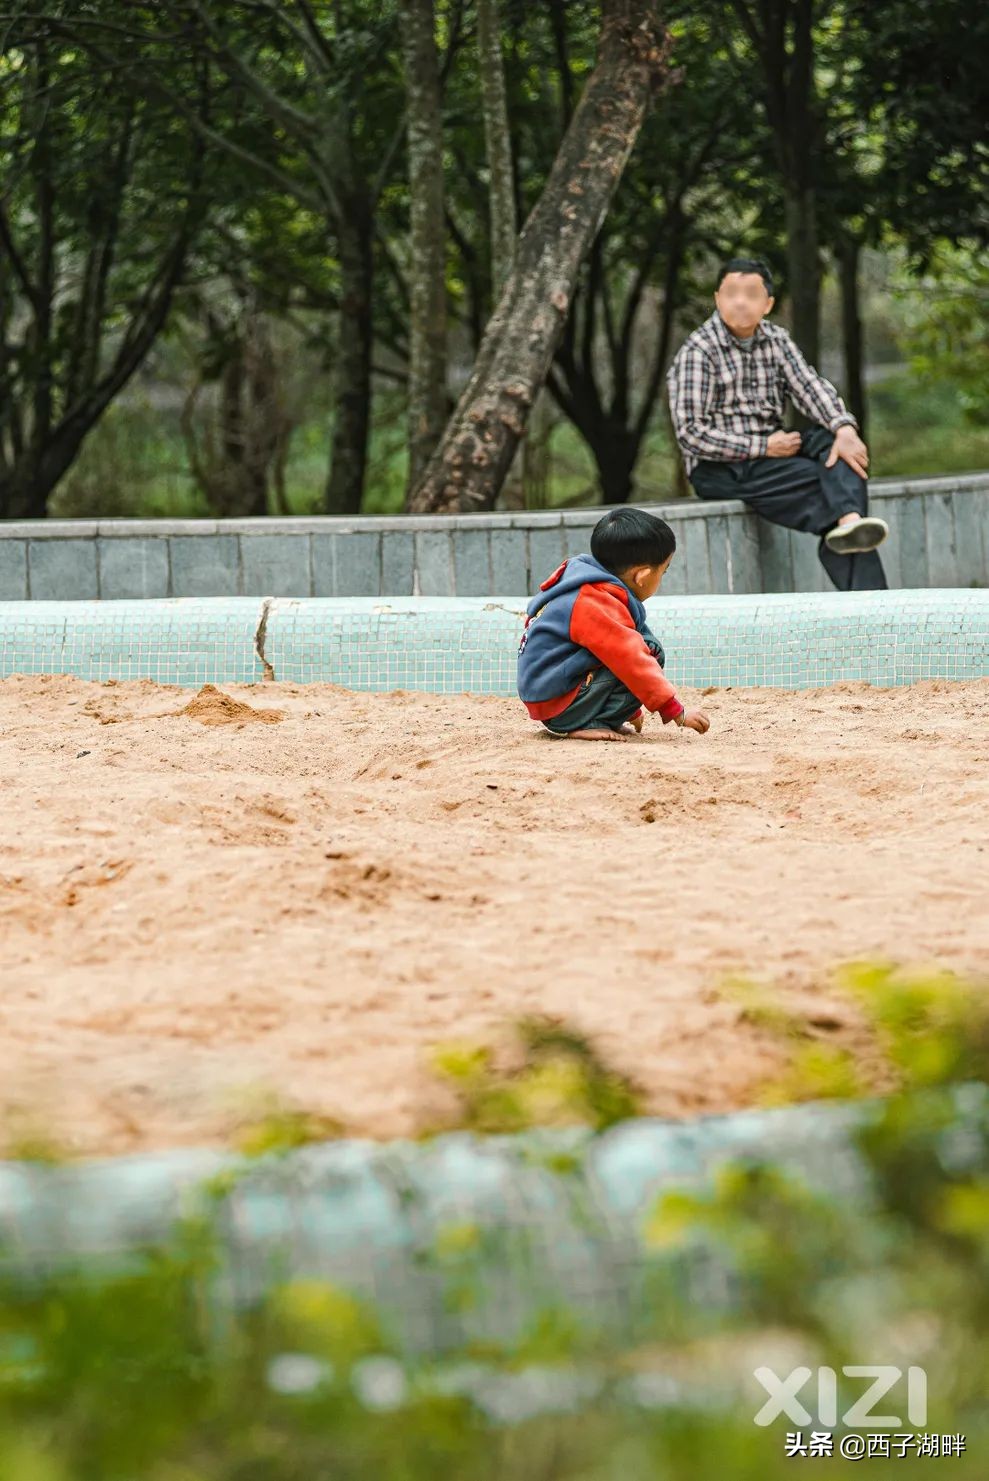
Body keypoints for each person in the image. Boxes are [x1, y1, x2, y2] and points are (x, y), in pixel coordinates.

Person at [667, 257, 888, 591]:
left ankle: (849, 522)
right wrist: (763, 446)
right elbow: (690, 434)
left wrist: (844, 428)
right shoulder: (699, 351)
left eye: (751, 293)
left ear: (767, 303)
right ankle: (873, 601)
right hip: (721, 467)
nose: (740, 301)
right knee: (832, 486)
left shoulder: (775, 340)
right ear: (717, 298)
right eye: (731, 293)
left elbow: (809, 386)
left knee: (834, 444)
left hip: (775, 454)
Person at [516, 507, 710, 742]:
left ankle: (597, 715)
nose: (662, 578)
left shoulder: (589, 584)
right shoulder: (593, 602)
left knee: (640, 643)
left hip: (552, 694)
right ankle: (586, 722)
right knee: (649, 650)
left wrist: (630, 708)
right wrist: (673, 710)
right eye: (664, 571)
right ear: (643, 576)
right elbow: (630, 658)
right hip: (559, 704)